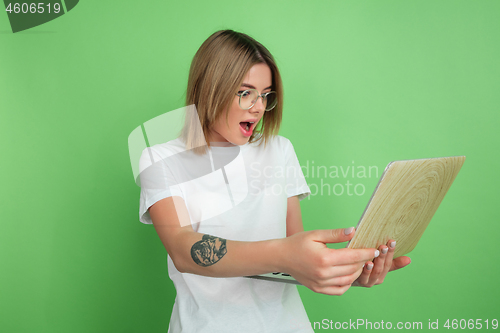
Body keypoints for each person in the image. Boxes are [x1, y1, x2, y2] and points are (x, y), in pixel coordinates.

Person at [138, 30, 411, 333]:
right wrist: (286, 253)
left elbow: (295, 257)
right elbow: (183, 249)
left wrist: (342, 270)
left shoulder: (279, 150)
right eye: (245, 92)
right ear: (210, 89)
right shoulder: (159, 159)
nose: (258, 107)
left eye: (266, 95)